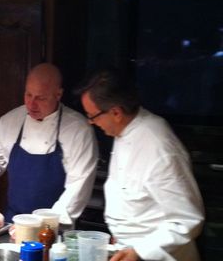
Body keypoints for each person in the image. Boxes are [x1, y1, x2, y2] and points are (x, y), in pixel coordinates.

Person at [80, 68, 205, 261]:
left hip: (158, 254)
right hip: (125, 246)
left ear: (116, 112)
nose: (90, 122)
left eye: (92, 116)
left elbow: (187, 220)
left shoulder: (159, 146)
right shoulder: (124, 129)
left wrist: (140, 251)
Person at [0, 63, 99, 223]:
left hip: (55, 226)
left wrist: (47, 224)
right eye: (28, 95)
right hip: (14, 222)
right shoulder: (10, 121)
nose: (32, 104)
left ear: (58, 94)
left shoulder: (78, 129)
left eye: (41, 98)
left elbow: (79, 185)